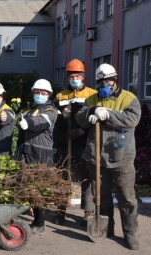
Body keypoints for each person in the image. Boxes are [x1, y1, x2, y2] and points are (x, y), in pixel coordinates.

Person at [75, 63, 140, 250]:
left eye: (109, 81)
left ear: (115, 80)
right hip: (97, 157)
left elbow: (131, 120)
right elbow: (79, 118)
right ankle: (107, 228)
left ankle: (130, 233)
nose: (105, 84)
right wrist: (91, 111)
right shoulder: (92, 99)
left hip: (122, 157)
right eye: (102, 81)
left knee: (127, 199)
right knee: (101, 198)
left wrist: (108, 115)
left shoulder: (129, 99)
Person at [53, 59, 97, 225]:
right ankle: (60, 210)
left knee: (86, 177)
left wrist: (80, 131)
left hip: (83, 143)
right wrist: (63, 135)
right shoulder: (61, 95)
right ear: (68, 77)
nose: (74, 78)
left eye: (77, 75)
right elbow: (57, 121)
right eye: (71, 76)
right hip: (65, 143)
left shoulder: (91, 95)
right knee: (63, 177)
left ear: (83, 76)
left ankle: (87, 211)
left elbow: (93, 120)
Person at [15, 79, 58, 235]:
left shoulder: (50, 111)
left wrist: (29, 123)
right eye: (38, 92)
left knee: (38, 189)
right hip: (25, 151)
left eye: (43, 93)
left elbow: (43, 121)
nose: (40, 95)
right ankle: (28, 215)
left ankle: (40, 223)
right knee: (24, 185)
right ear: (33, 93)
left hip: (40, 153)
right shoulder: (27, 110)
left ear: (48, 95)